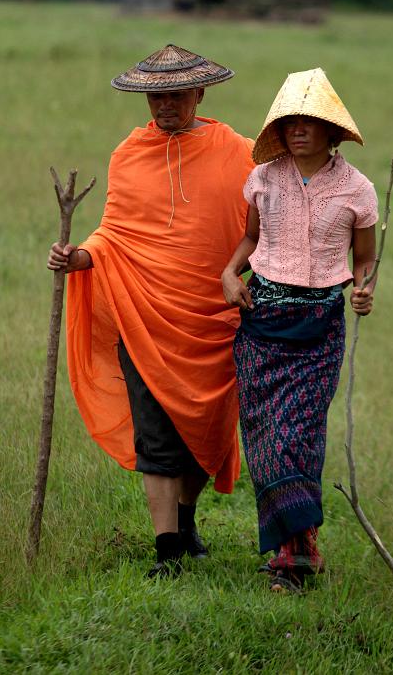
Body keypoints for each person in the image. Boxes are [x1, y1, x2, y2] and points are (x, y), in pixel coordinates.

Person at [48, 44, 254, 577]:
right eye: (156, 97)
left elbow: (266, 219)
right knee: (157, 438)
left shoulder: (239, 151)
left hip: (213, 319)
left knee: (207, 432)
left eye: (176, 95)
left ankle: (185, 523)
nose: (165, 106)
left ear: (199, 94)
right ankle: (167, 553)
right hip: (141, 314)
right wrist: (80, 257)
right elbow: (115, 232)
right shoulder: (127, 155)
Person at [221, 68, 378, 593]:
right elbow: (249, 240)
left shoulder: (358, 189)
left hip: (319, 331)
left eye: (311, 123)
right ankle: (297, 553)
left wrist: (363, 289)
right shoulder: (264, 178)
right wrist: (228, 274)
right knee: (265, 438)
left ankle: (295, 553)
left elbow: (365, 260)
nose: (300, 131)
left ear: (332, 131)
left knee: (299, 437)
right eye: (291, 123)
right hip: (261, 325)